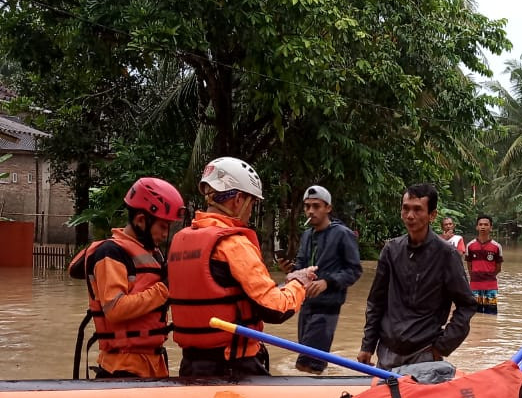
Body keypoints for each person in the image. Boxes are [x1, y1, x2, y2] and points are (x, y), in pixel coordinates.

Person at [168, 157, 317, 378]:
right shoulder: (234, 244)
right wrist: (299, 282)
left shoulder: (180, 241)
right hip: (234, 366)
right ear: (238, 200)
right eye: (252, 203)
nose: (250, 211)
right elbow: (275, 309)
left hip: (190, 366)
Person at [69, 177, 184, 379]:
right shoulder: (110, 253)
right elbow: (115, 309)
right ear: (141, 220)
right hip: (122, 366)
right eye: (163, 227)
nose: (166, 234)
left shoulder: (153, 253)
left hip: (152, 363)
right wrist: (164, 289)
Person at [358, 183, 477, 370]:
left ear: (432, 215)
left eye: (417, 210)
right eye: (405, 209)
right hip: (387, 351)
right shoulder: (391, 250)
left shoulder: (447, 255)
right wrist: (367, 345)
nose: (410, 216)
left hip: (425, 353)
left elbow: (467, 304)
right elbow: (376, 301)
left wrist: (442, 347)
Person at [281, 185, 362, 374]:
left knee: (307, 364)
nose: (311, 211)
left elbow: (354, 270)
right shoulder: (307, 235)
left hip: (327, 308)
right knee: (310, 362)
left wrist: (327, 282)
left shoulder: (342, 234)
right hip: (306, 305)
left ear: (328, 208)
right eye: (307, 206)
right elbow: (302, 266)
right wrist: (291, 270)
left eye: (316, 206)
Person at [464, 215, 504, 314]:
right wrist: (475, 276)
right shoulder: (470, 246)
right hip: (474, 286)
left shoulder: (497, 246)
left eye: (486, 225)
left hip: (491, 286)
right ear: (477, 227)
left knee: (491, 314)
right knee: (474, 314)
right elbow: (469, 266)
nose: (483, 227)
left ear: (491, 227)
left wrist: (488, 277)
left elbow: (498, 268)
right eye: (480, 224)